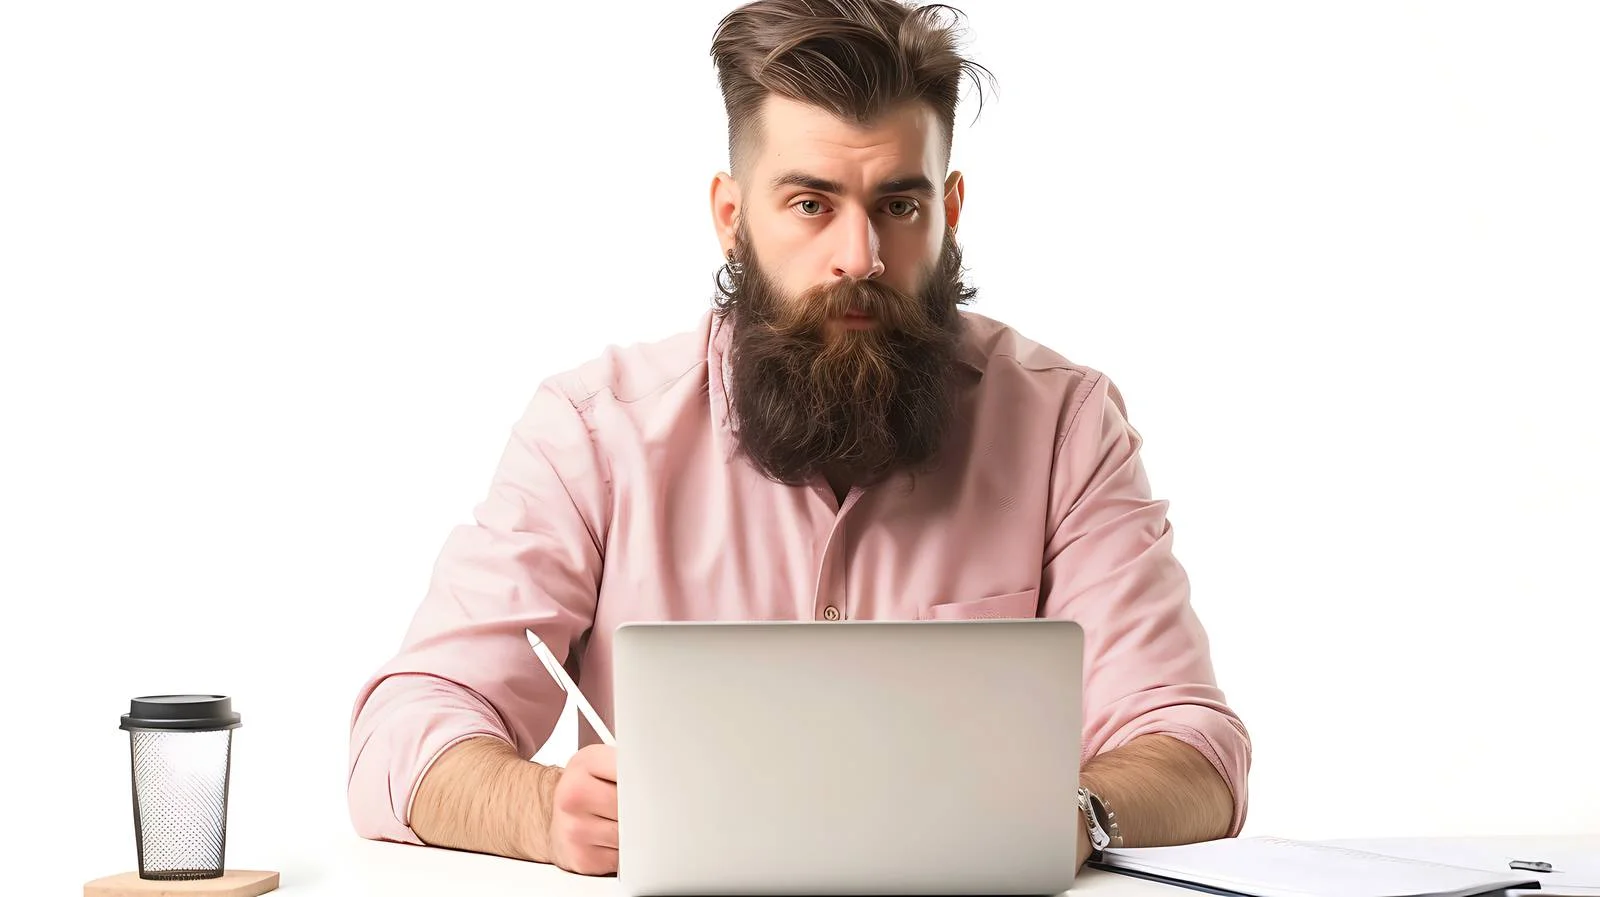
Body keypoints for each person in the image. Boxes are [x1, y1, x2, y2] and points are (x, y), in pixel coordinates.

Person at [347, 0, 1251, 878]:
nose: (859, 255)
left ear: (952, 209)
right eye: (812, 204)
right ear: (733, 216)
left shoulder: (1064, 426)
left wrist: (1081, 814)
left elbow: (1195, 748)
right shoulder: (592, 432)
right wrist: (543, 811)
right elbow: (404, 730)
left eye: (899, 205)